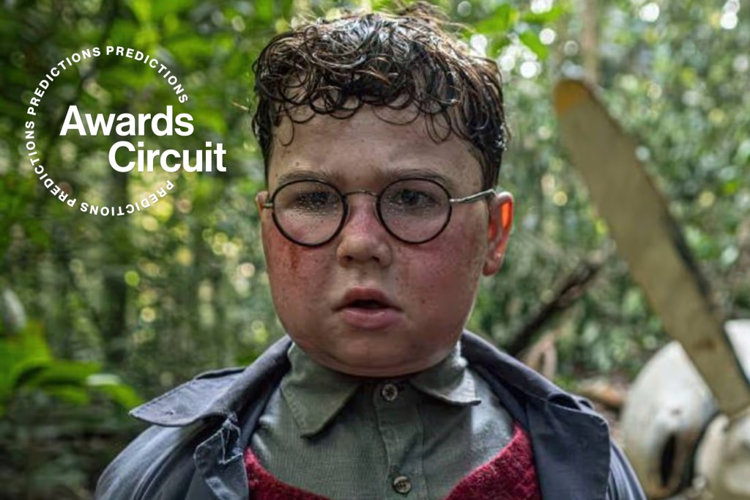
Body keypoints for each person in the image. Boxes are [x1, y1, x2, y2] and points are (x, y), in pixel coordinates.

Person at [95, 4, 645, 499]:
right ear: (268, 228)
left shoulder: (585, 468)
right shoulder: (163, 477)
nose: (360, 243)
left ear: (493, 235)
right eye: (313, 199)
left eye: (413, 198)